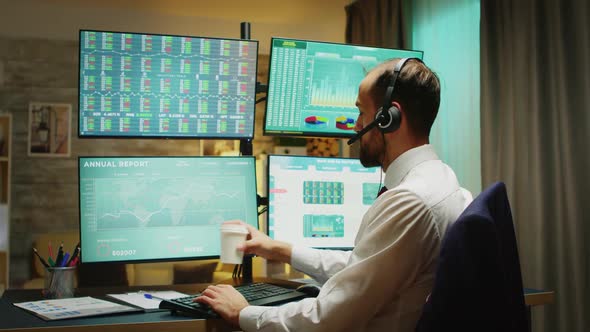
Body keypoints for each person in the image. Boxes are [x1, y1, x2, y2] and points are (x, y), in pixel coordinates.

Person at [195, 58, 473, 331]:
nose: (355, 125)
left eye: (361, 112)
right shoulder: (442, 179)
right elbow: (365, 268)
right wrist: (278, 249)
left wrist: (243, 313)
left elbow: (328, 319)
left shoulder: (409, 201)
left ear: (389, 118)